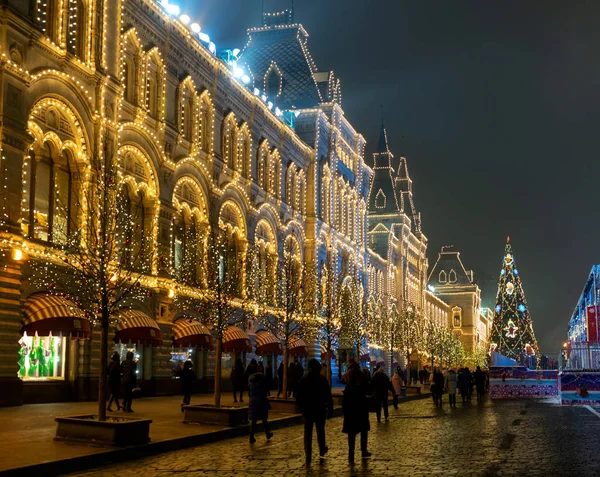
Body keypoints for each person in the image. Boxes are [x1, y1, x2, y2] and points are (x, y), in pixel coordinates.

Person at [295, 359, 334, 466]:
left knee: (308, 432)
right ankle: (322, 449)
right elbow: (328, 396)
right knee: (320, 430)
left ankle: (308, 453)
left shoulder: (303, 380)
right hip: (320, 409)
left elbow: (298, 397)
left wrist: (301, 408)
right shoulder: (322, 379)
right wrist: (330, 408)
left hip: (308, 410)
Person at [342, 359, 371, 464]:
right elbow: (368, 389)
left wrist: (344, 409)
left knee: (351, 433)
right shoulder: (361, 377)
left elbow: (345, 397)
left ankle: (351, 456)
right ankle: (364, 451)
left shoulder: (348, 379)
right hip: (361, 407)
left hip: (350, 409)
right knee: (363, 431)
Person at [248, 367, 273, 444]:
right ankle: (267, 433)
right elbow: (265, 390)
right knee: (264, 419)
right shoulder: (262, 381)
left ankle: (251, 436)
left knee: (254, 420)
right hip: (261, 401)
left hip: (253, 401)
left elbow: (249, 392)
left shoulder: (250, 382)